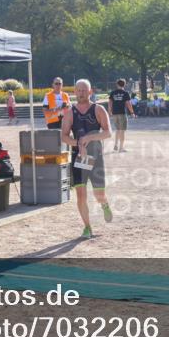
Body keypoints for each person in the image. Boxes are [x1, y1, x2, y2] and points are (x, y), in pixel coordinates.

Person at [61, 79, 113, 239]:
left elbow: (108, 133)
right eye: (78, 90)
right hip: (79, 158)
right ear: (74, 92)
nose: (81, 93)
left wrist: (89, 139)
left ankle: (104, 204)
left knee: (99, 194)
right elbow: (63, 136)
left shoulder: (98, 110)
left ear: (90, 92)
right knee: (81, 194)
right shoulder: (70, 113)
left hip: (95, 157)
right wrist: (77, 142)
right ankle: (87, 227)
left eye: (84, 90)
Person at [107, 78, 136, 152]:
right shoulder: (125, 93)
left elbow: (110, 102)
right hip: (122, 113)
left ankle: (116, 145)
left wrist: (109, 111)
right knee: (122, 130)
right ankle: (121, 148)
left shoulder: (113, 93)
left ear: (117, 84)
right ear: (124, 84)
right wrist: (132, 113)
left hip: (115, 113)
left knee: (117, 129)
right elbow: (128, 104)